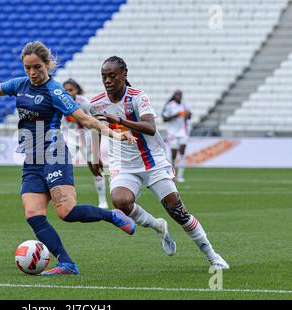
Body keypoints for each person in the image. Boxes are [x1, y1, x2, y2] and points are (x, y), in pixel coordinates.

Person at [0, 41, 137, 276]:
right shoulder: (20, 85)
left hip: (54, 155)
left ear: (47, 64)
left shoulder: (55, 90)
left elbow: (86, 119)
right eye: (27, 68)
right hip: (31, 159)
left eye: (37, 67)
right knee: (33, 215)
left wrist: (114, 135)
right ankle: (67, 263)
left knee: (66, 212)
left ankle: (112, 215)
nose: (32, 73)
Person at [90, 56, 229, 269]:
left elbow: (150, 127)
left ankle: (213, 255)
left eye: (112, 75)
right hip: (124, 163)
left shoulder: (138, 97)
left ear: (124, 74)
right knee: (120, 201)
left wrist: (120, 121)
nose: (107, 80)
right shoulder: (97, 103)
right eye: (104, 76)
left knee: (178, 211)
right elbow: (95, 126)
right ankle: (158, 227)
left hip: (152, 161)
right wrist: (95, 155)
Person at [62, 79, 108, 209]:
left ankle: (103, 200)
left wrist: (96, 148)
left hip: (86, 136)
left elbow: (94, 122)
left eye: (71, 90)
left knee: (94, 166)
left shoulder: (84, 103)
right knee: (63, 165)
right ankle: (66, 199)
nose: (68, 93)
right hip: (69, 136)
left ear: (77, 90)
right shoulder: (59, 101)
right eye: (65, 90)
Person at [161, 90, 192, 182]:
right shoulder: (170, 105)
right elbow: (164, 118)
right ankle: (172, 174)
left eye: (180, 95)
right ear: (174, 96)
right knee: (173, 154)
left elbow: (189, 117)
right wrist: (176, 115)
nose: (179, 96)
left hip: (183, 131)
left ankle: (181, 175)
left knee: (182, 152)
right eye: (177, 95)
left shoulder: (184, 105)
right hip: (172, 132)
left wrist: (188, 114)